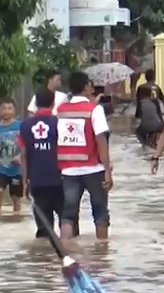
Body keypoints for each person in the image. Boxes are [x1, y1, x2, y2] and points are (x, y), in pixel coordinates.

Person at [55, 71, 113, 240]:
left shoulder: (60, 111)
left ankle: (66, 251)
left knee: (68, 214)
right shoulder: (95, 110)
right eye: (90, 84)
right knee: (100, 212)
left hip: (68, 171)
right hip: (93, 169)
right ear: (86, 87)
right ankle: (102, 254)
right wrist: (108, 171)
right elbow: (101, 141)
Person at [19, 89, 63, 238]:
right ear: (53, 103)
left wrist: (25, 182)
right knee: (67, 223)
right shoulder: (59, 123)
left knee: (44, 228)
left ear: (36, 104)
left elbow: (23, 156)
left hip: (37, 180)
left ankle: (42, 258)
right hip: (60, 179)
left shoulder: (25, 126)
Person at [0, 98, 23, 213]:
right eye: (4, 108)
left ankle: (16, 215)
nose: (7, 111)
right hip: (2, 168)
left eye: (9, 108)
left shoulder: (20, 126)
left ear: (14, 110)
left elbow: (25, 146)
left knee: (16, 197)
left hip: (16, 169)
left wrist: (19, 157)